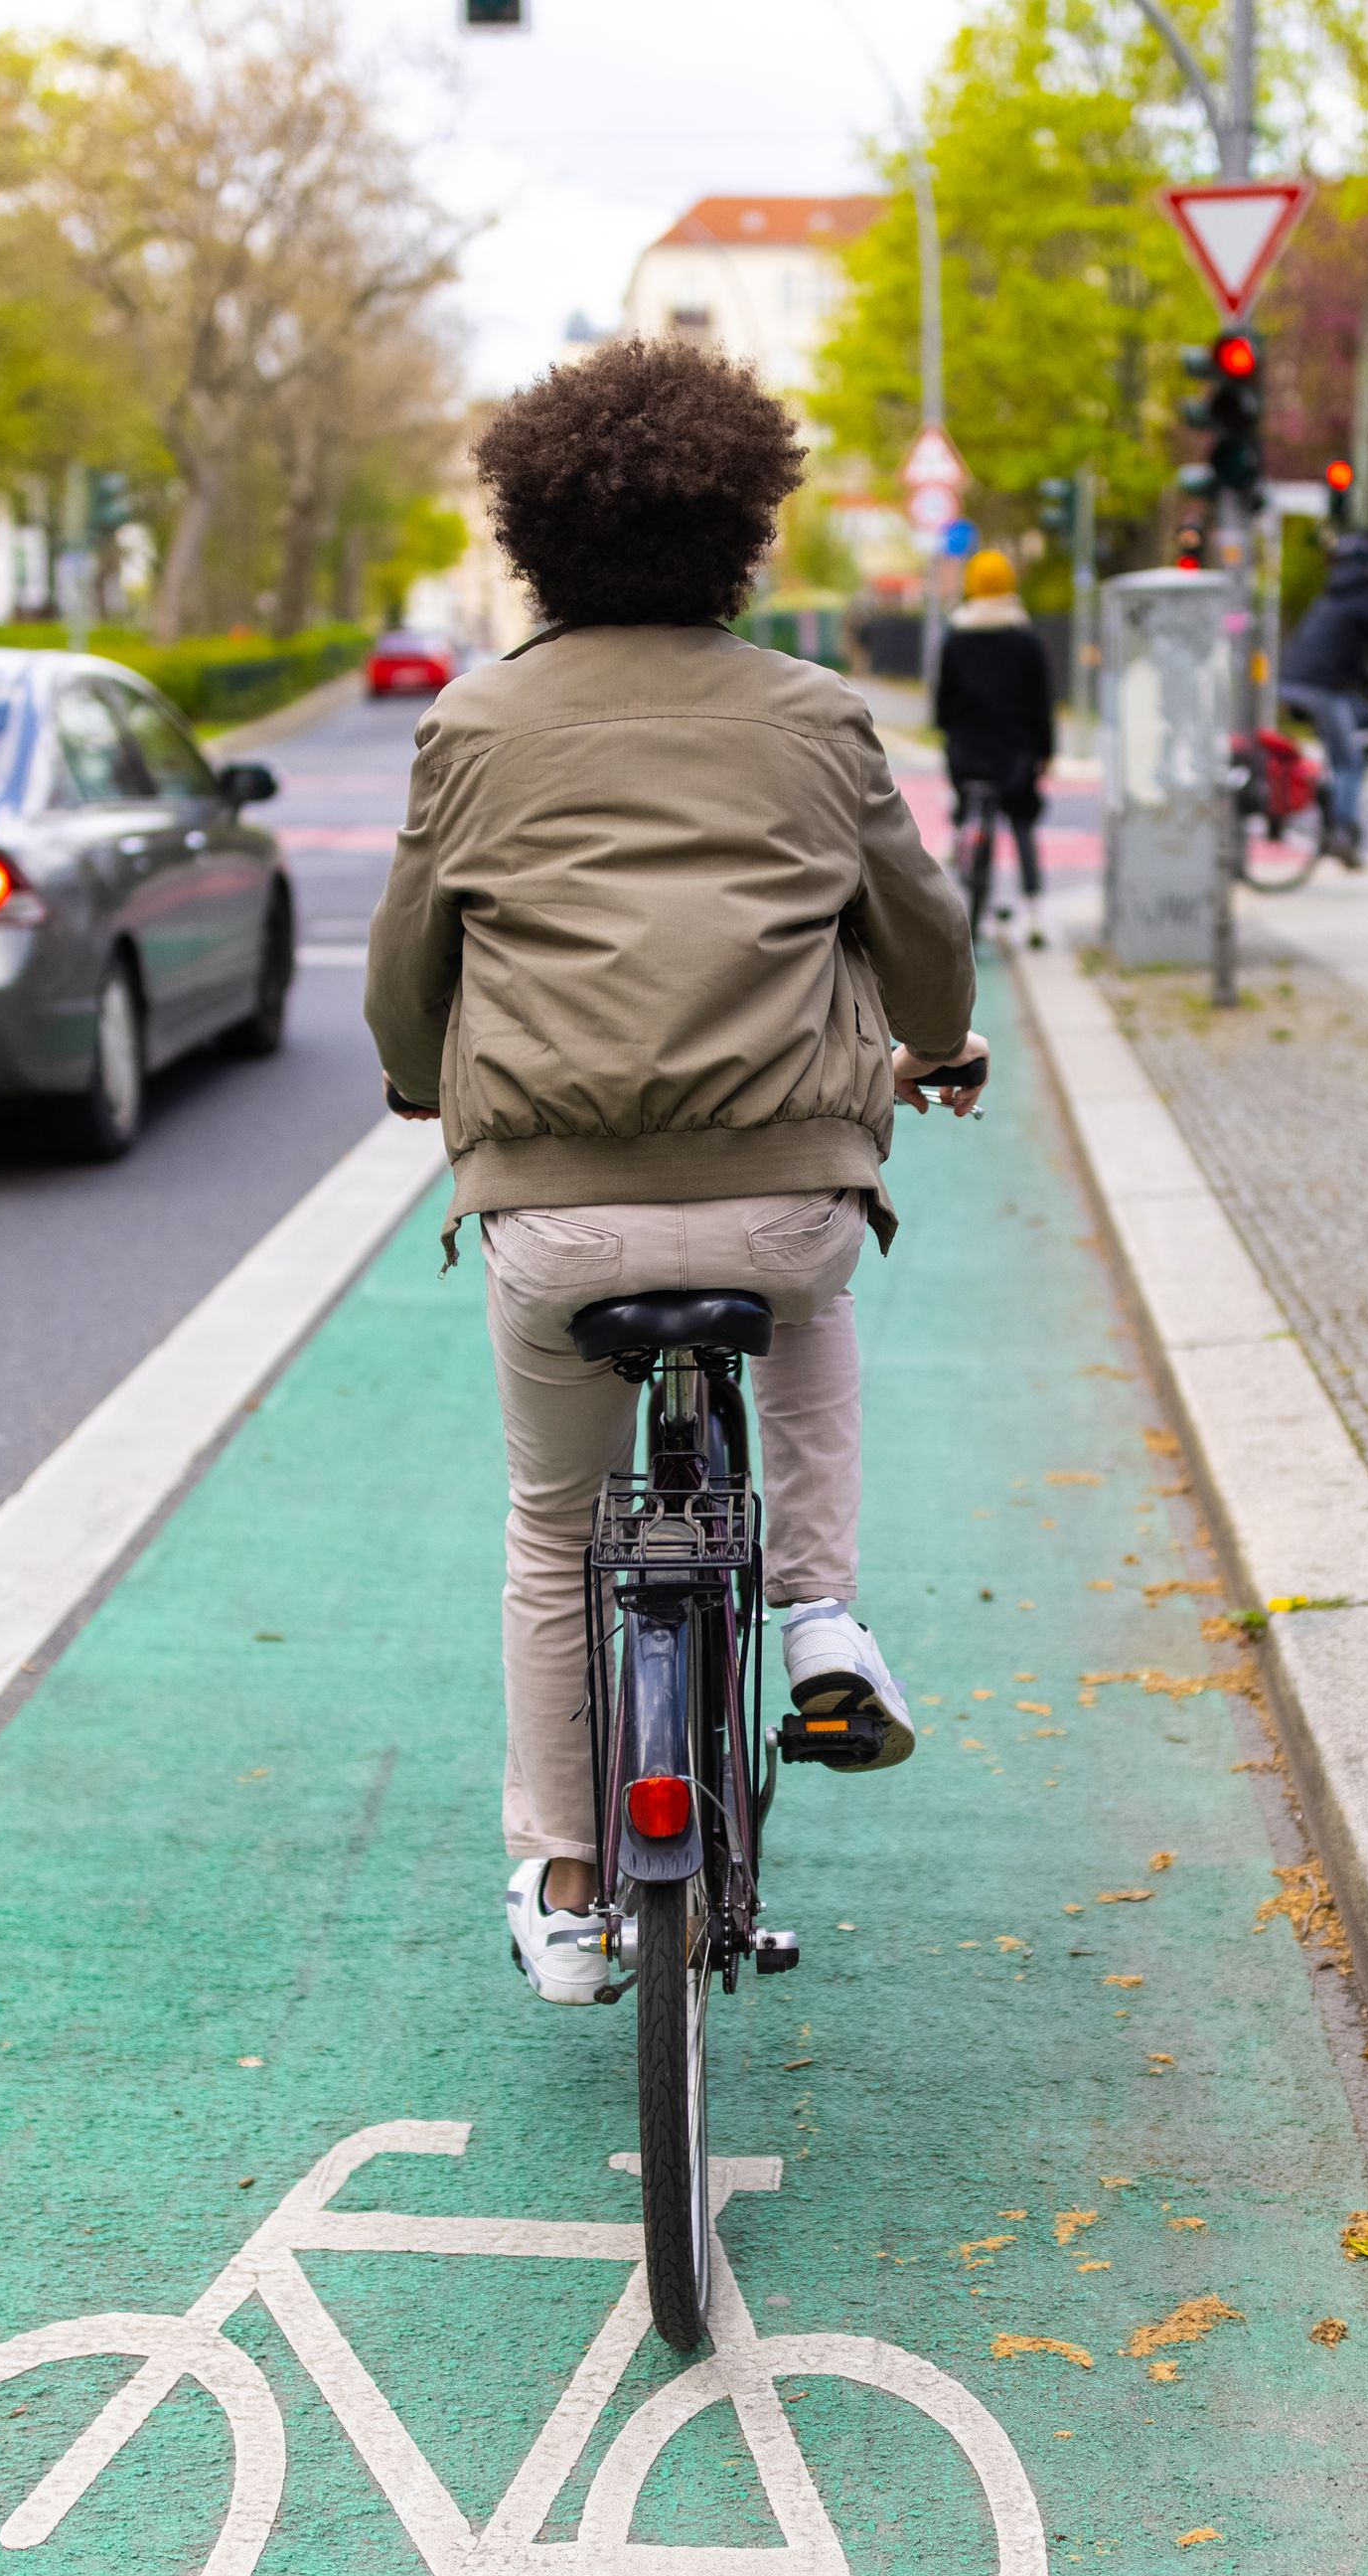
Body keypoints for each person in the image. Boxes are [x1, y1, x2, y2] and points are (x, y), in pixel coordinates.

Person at [365, 339, 985, 2009]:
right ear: (745, 528)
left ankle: (571, 1879)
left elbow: (406, 968)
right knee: (809, 1299)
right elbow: (922, 939)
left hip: (554, 1212)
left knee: (556, 1526)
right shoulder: (815, 715)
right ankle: (825, 1620)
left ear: (533, 534)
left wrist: (424, 1084)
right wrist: (937, 1040)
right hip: (785, 1192)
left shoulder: (476, 724)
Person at [929, 547, 1058, 945]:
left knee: (969, 809)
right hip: (1015, 755)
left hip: (969, 753)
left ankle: (966, 861)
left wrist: (949, 735)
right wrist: (1045, 751)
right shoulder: (1026, 640)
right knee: (1022, 823)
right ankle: (1034, 912)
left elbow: (942, 702)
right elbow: (1042, 702)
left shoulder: (956, 637)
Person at [1279, 533, 1368, 865]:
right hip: (1319, 689)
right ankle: (1343, 833)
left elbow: (1351, 655)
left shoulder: (1333, 598)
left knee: (1363, 724)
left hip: (1299, 683)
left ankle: (1332, 800)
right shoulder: (1362, 600)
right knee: (1349, 761)